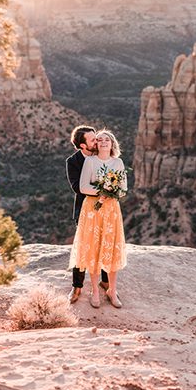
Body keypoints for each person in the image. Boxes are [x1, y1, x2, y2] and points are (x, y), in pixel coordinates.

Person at [69, 130, 129, 309]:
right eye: (99, 140)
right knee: (93, 248)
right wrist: (104, 191)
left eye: (106, 139)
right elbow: (83, 187)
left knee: (110, 247)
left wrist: (113, 192)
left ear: (112, 144)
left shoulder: (118, 162)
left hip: (111, 210)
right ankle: (95, 291)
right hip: (92, 209)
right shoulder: (90, 161)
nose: (102, 142)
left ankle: (111, 289)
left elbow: (124, 189)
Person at [65, 125, 108, 304]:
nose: (97, 142)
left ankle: (106, 282)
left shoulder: (104, 155)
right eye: (92, 140)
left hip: (105, 208)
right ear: (82, 146)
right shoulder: (72, 162)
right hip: (83, 209)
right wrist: (103, 189)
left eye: (96, 138)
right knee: (83, 248)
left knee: (105, 245)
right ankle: (77, 286)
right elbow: (76, 188)